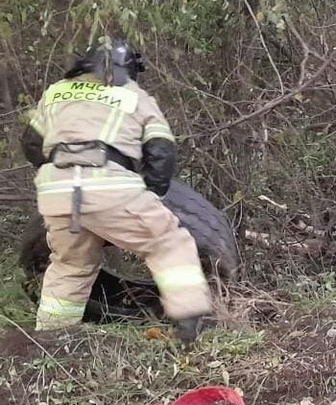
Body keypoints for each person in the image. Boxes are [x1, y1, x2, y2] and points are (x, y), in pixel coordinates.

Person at [20, 35, 213, 344]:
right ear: (129, 69)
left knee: (71, 263)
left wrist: (63, 174)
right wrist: (154, 195)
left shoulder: (56, 92)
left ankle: (51, 340)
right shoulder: (136, 97)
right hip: (110, 184)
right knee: (168, 243)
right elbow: (162, 151)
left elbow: (30, 143)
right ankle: (192, 326)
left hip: (56, 192)